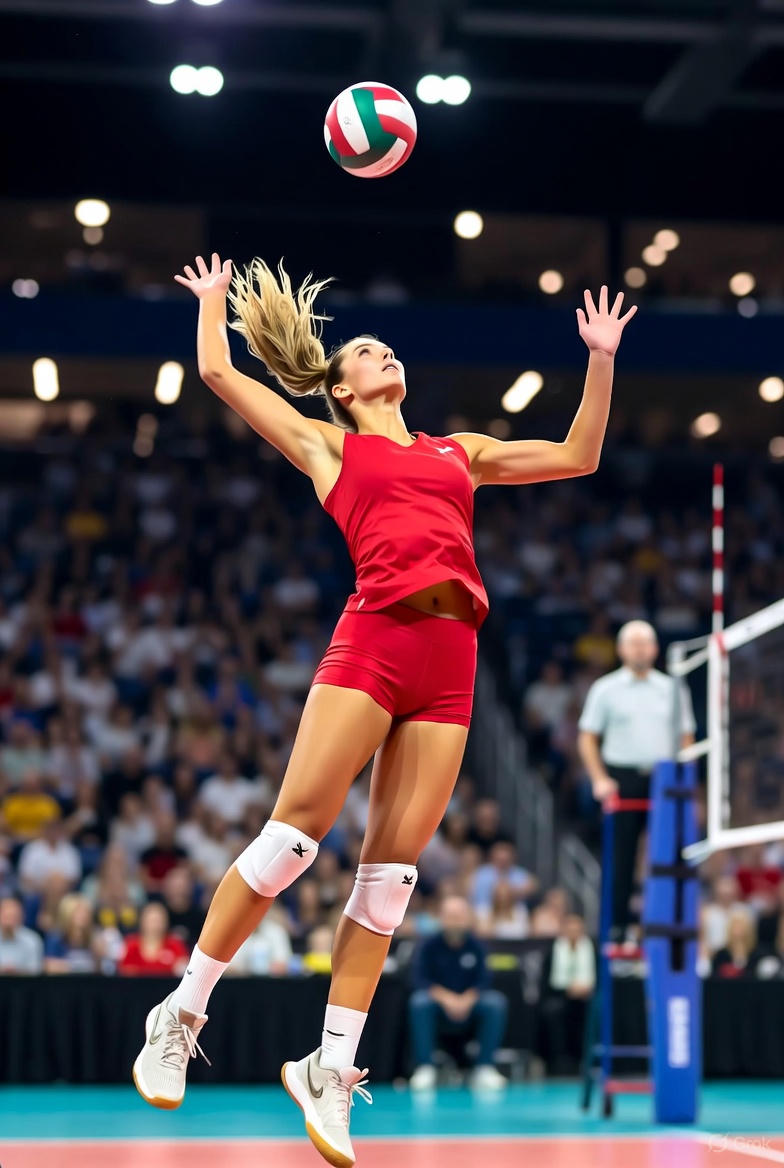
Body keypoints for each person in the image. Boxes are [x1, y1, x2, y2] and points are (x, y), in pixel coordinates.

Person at [132, 252, 636, 1166]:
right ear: (341, 385)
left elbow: (579, 454)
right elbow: (217, 370)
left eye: (383, 344)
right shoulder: (332, 447)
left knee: (390, 883)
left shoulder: (460, 452)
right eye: (364, 349)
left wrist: (599, 359)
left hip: (452, 663)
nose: (382, 352)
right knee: (291, 842)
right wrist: (213, 305)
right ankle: (183, 1007)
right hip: (372, 645)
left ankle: (329, 1070)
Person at [577, 620, 696, 936]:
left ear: (655, 649)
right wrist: (600, 779)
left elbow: (686, 737)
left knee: (668, 854)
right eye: (634, 643)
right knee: (621, 855)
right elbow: (587, 737)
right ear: (621, 649)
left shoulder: (672, 688)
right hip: (622, 778)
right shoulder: (605, 689)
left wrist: (683, 779)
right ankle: (617, 926)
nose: (640, 649)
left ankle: (666, 923)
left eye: (646, 643)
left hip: (664, 778)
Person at [408, 895, 508, 1091]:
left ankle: (484, 1068)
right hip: (437, 1002)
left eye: (459, 916)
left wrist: (466, 999)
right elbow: (419, 980)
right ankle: (425, 1068)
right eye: (450, 916)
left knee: (495, 1003)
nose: (455, 921)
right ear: (441, 918)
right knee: (419, 1003)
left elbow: (484, 980)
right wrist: (448, 999)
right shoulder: (428, 946)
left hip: (470, 1003)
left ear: (468, 918)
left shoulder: (477, 947)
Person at [540, 913, 596, 1073]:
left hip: (587, 996)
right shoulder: (553, 950)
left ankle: (588, 1061)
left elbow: (598, 977)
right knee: (553, 1010)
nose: (573, 933)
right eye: (569, 929)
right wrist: (567, 989)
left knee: (595, 1009)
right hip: (559, 996)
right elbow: (546, 983)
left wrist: (585, 988)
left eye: (576, 929)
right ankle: (559, 1062)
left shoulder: (592, 948)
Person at [0, 895, 44, 974]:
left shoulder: (32, 940)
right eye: (6, 916)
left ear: (22, 917)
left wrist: (15, 971)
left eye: (13, 917)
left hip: (25, 985)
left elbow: (35, 971)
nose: (9, 922)